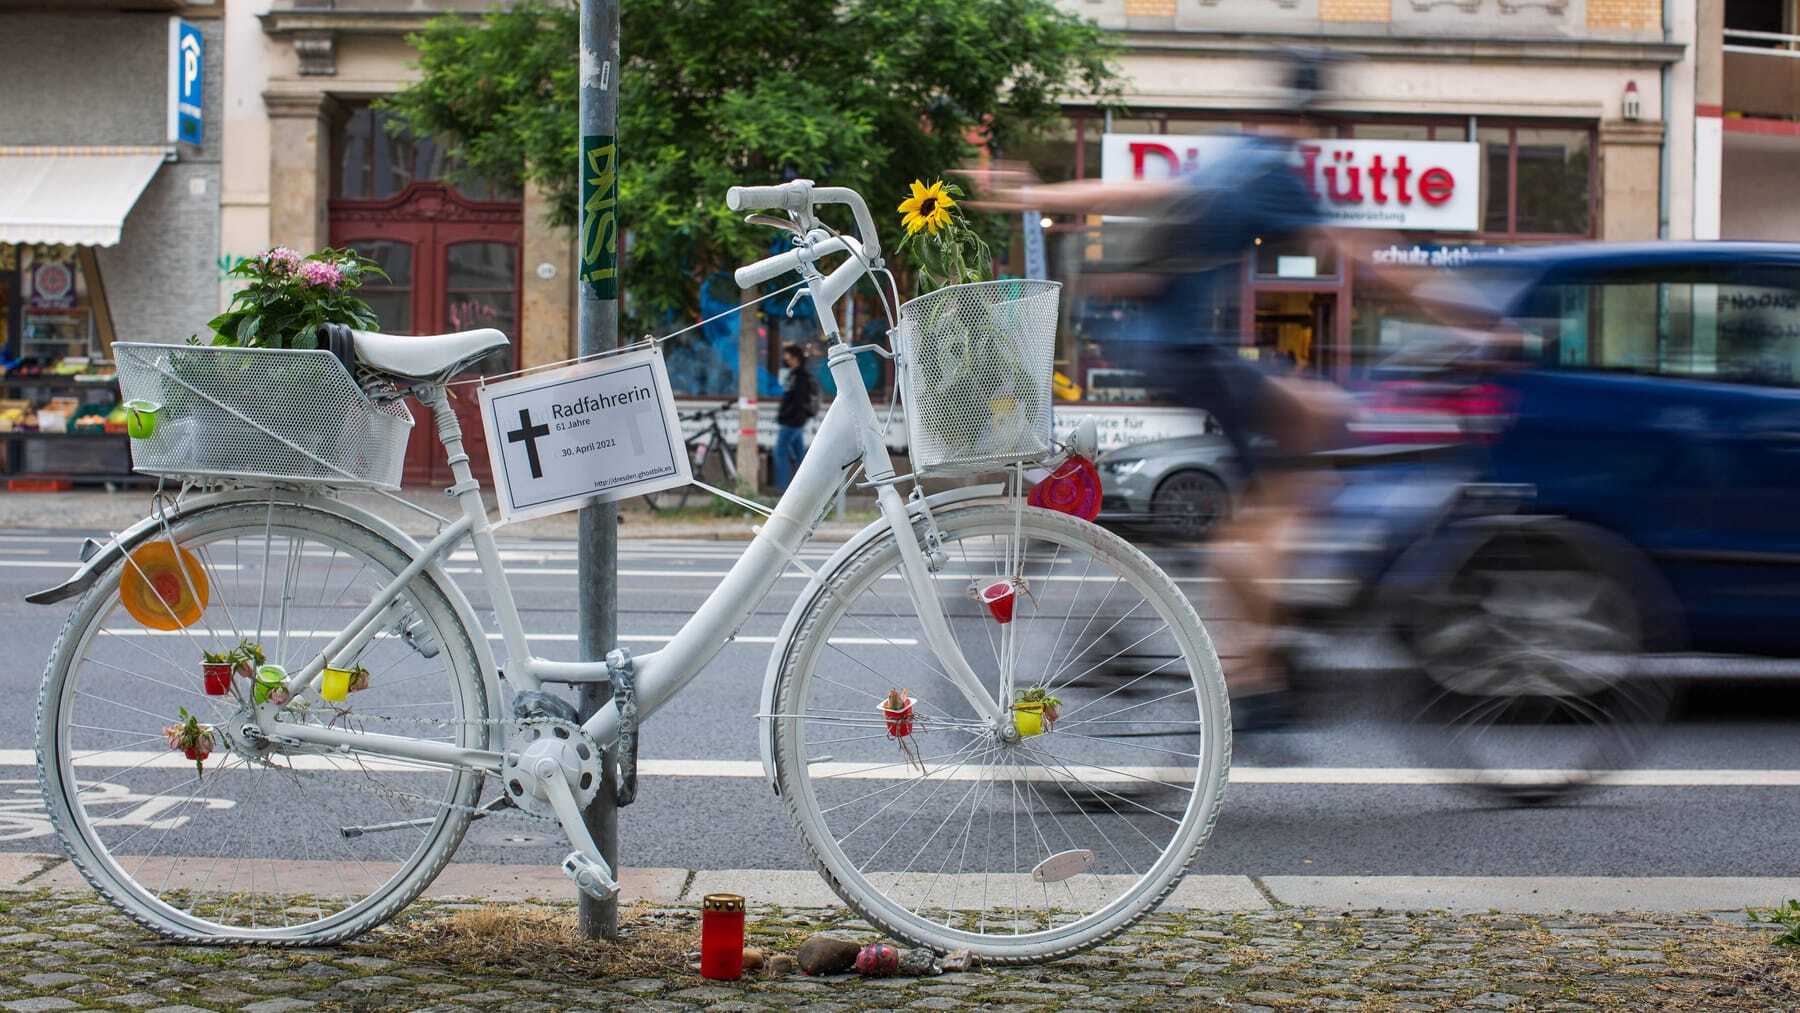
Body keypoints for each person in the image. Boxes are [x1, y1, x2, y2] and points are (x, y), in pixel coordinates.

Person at [966, 52, 1408, 730]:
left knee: (1298, 428)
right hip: (1180, 349)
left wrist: (1034, 196)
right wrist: (1474, 317)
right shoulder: (1276, 174)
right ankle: (1252, 670)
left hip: (1150, 344)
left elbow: (1126, 194)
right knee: (1298, 465)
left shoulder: (1229, 159)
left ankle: (1247, 634)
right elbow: (1363, 262)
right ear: (1322, 123)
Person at [774, 343, 818, 491]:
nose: (785, 360)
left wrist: (786, 415)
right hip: (795, 420)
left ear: (796, 358)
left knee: (780, 451)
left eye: (788, 357)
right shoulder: (794, 374)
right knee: (800, 455)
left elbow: (798, 400)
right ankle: (807, 485)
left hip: (792, 421)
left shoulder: (800, 376)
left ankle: (784, 488)